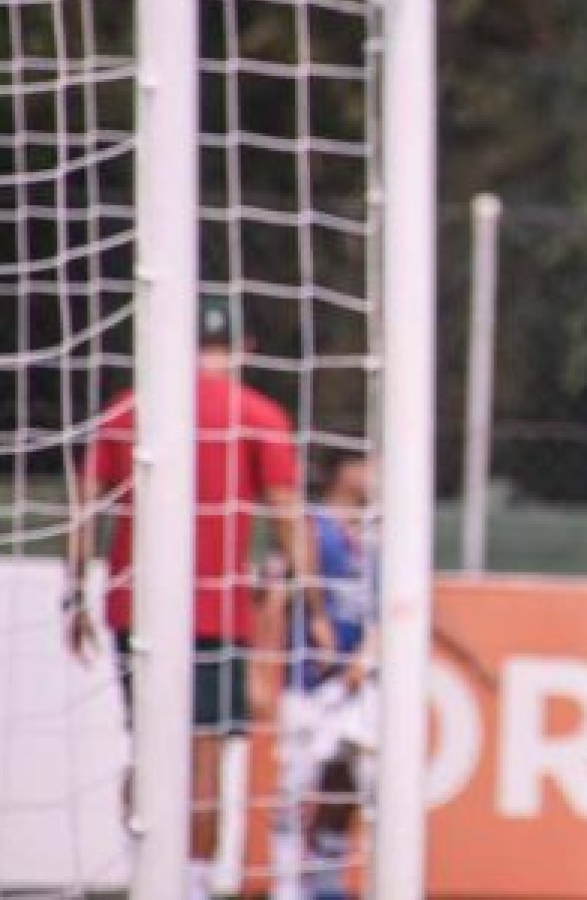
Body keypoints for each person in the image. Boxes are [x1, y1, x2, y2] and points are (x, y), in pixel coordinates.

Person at [67, 292, 331, 900]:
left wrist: (73, 592)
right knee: (205, 754)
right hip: (217, 607)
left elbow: (88, 504)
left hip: (137, 605)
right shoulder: (259, 415)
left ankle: (144, 869)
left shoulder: (129, 410)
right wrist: (312, 606)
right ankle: (189, 884)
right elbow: (289, 518)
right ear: (245, 349)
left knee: (146, 742)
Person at [254, 450, 376, 900]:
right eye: (370, 466)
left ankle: (327, 880)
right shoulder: (310, 527)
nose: (377, 477)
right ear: (345, 471)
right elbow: (274, 597)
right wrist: (261, 671)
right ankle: (287, 885)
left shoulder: (368, 536)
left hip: (355, 682)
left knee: (348, 781)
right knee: (295, 786)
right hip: (309, 678)